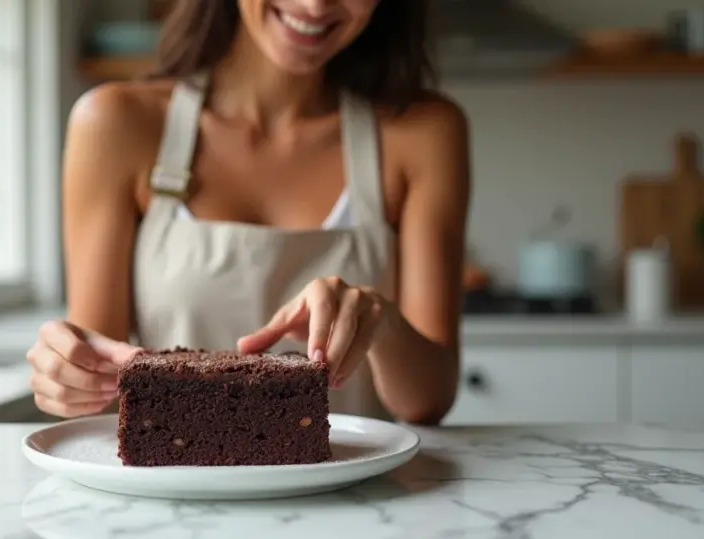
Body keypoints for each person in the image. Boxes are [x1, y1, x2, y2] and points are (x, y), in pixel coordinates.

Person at [28, 0, 471, 425]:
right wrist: (68, 373)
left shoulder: (425, 133)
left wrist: (381, 320)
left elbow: (428, 403)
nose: (315, 5)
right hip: (173, 495)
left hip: (362, 496)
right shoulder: (117, 123)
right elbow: (94, 386)